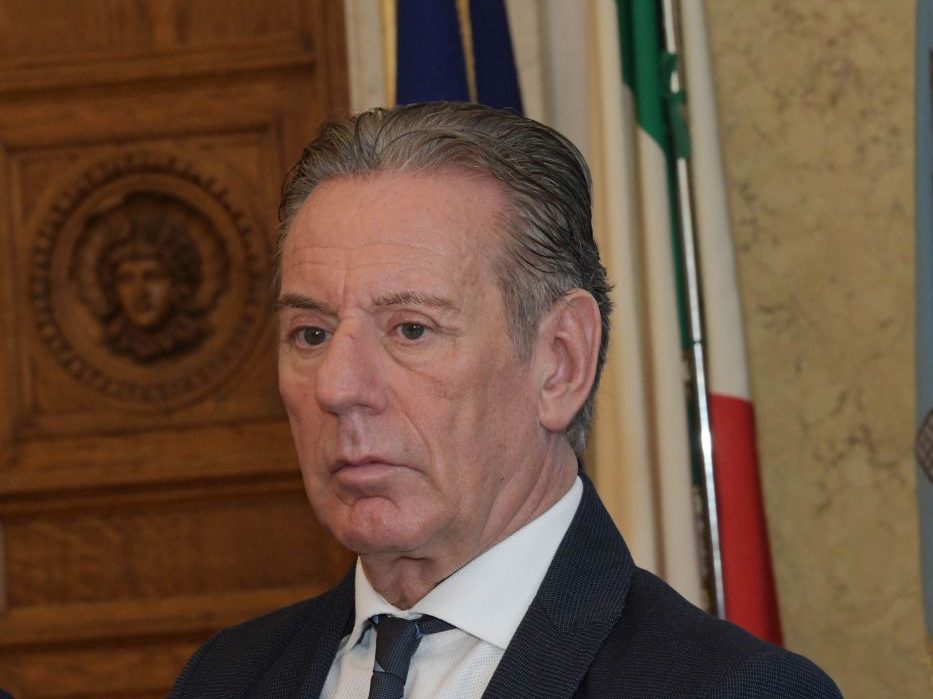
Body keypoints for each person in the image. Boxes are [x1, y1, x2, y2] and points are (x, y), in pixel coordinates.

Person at [171, 102, 843, 698]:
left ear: (560, 363)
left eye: (412, 329)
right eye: (311, 333)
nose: (337, 387)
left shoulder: (735, 690)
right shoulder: (226, 678)